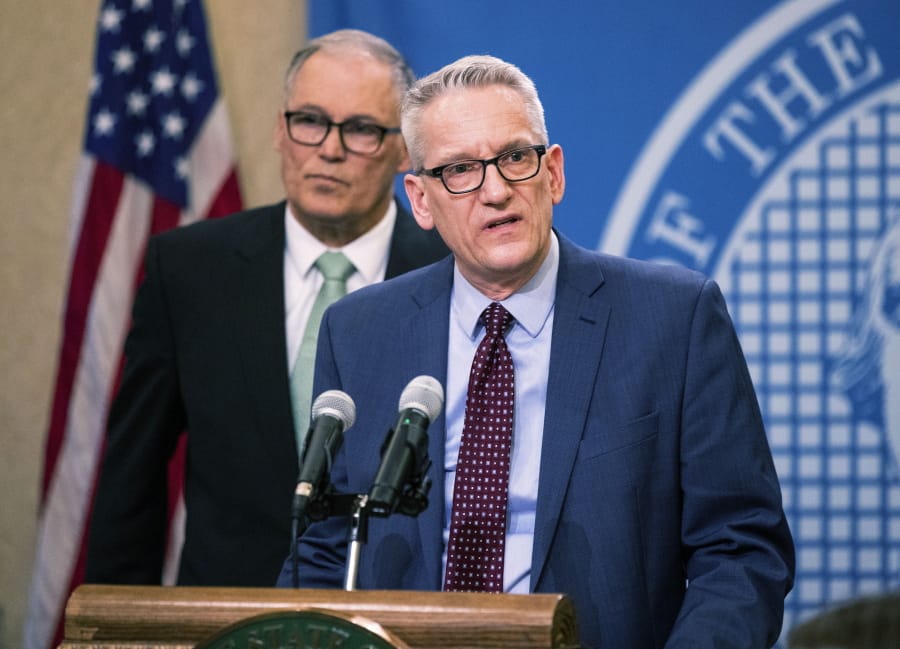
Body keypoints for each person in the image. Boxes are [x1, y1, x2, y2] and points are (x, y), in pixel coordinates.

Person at [277, 55, 795, 649]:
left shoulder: (672, 318)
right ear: (420, 200)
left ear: (553, 173)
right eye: (460, 170)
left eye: (514, 158)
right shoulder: (361, 331)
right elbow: (324, 549)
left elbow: (741, 548)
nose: (495, 191)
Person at [85, 29, 448, 587]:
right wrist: (113, 627)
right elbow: (132, 473)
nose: (329, 149)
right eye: (310, 121)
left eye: (360, 129)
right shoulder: (189, 269)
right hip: (227, 614)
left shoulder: (452, 274)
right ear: (281, 130)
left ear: (404, 149)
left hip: (397, 614)